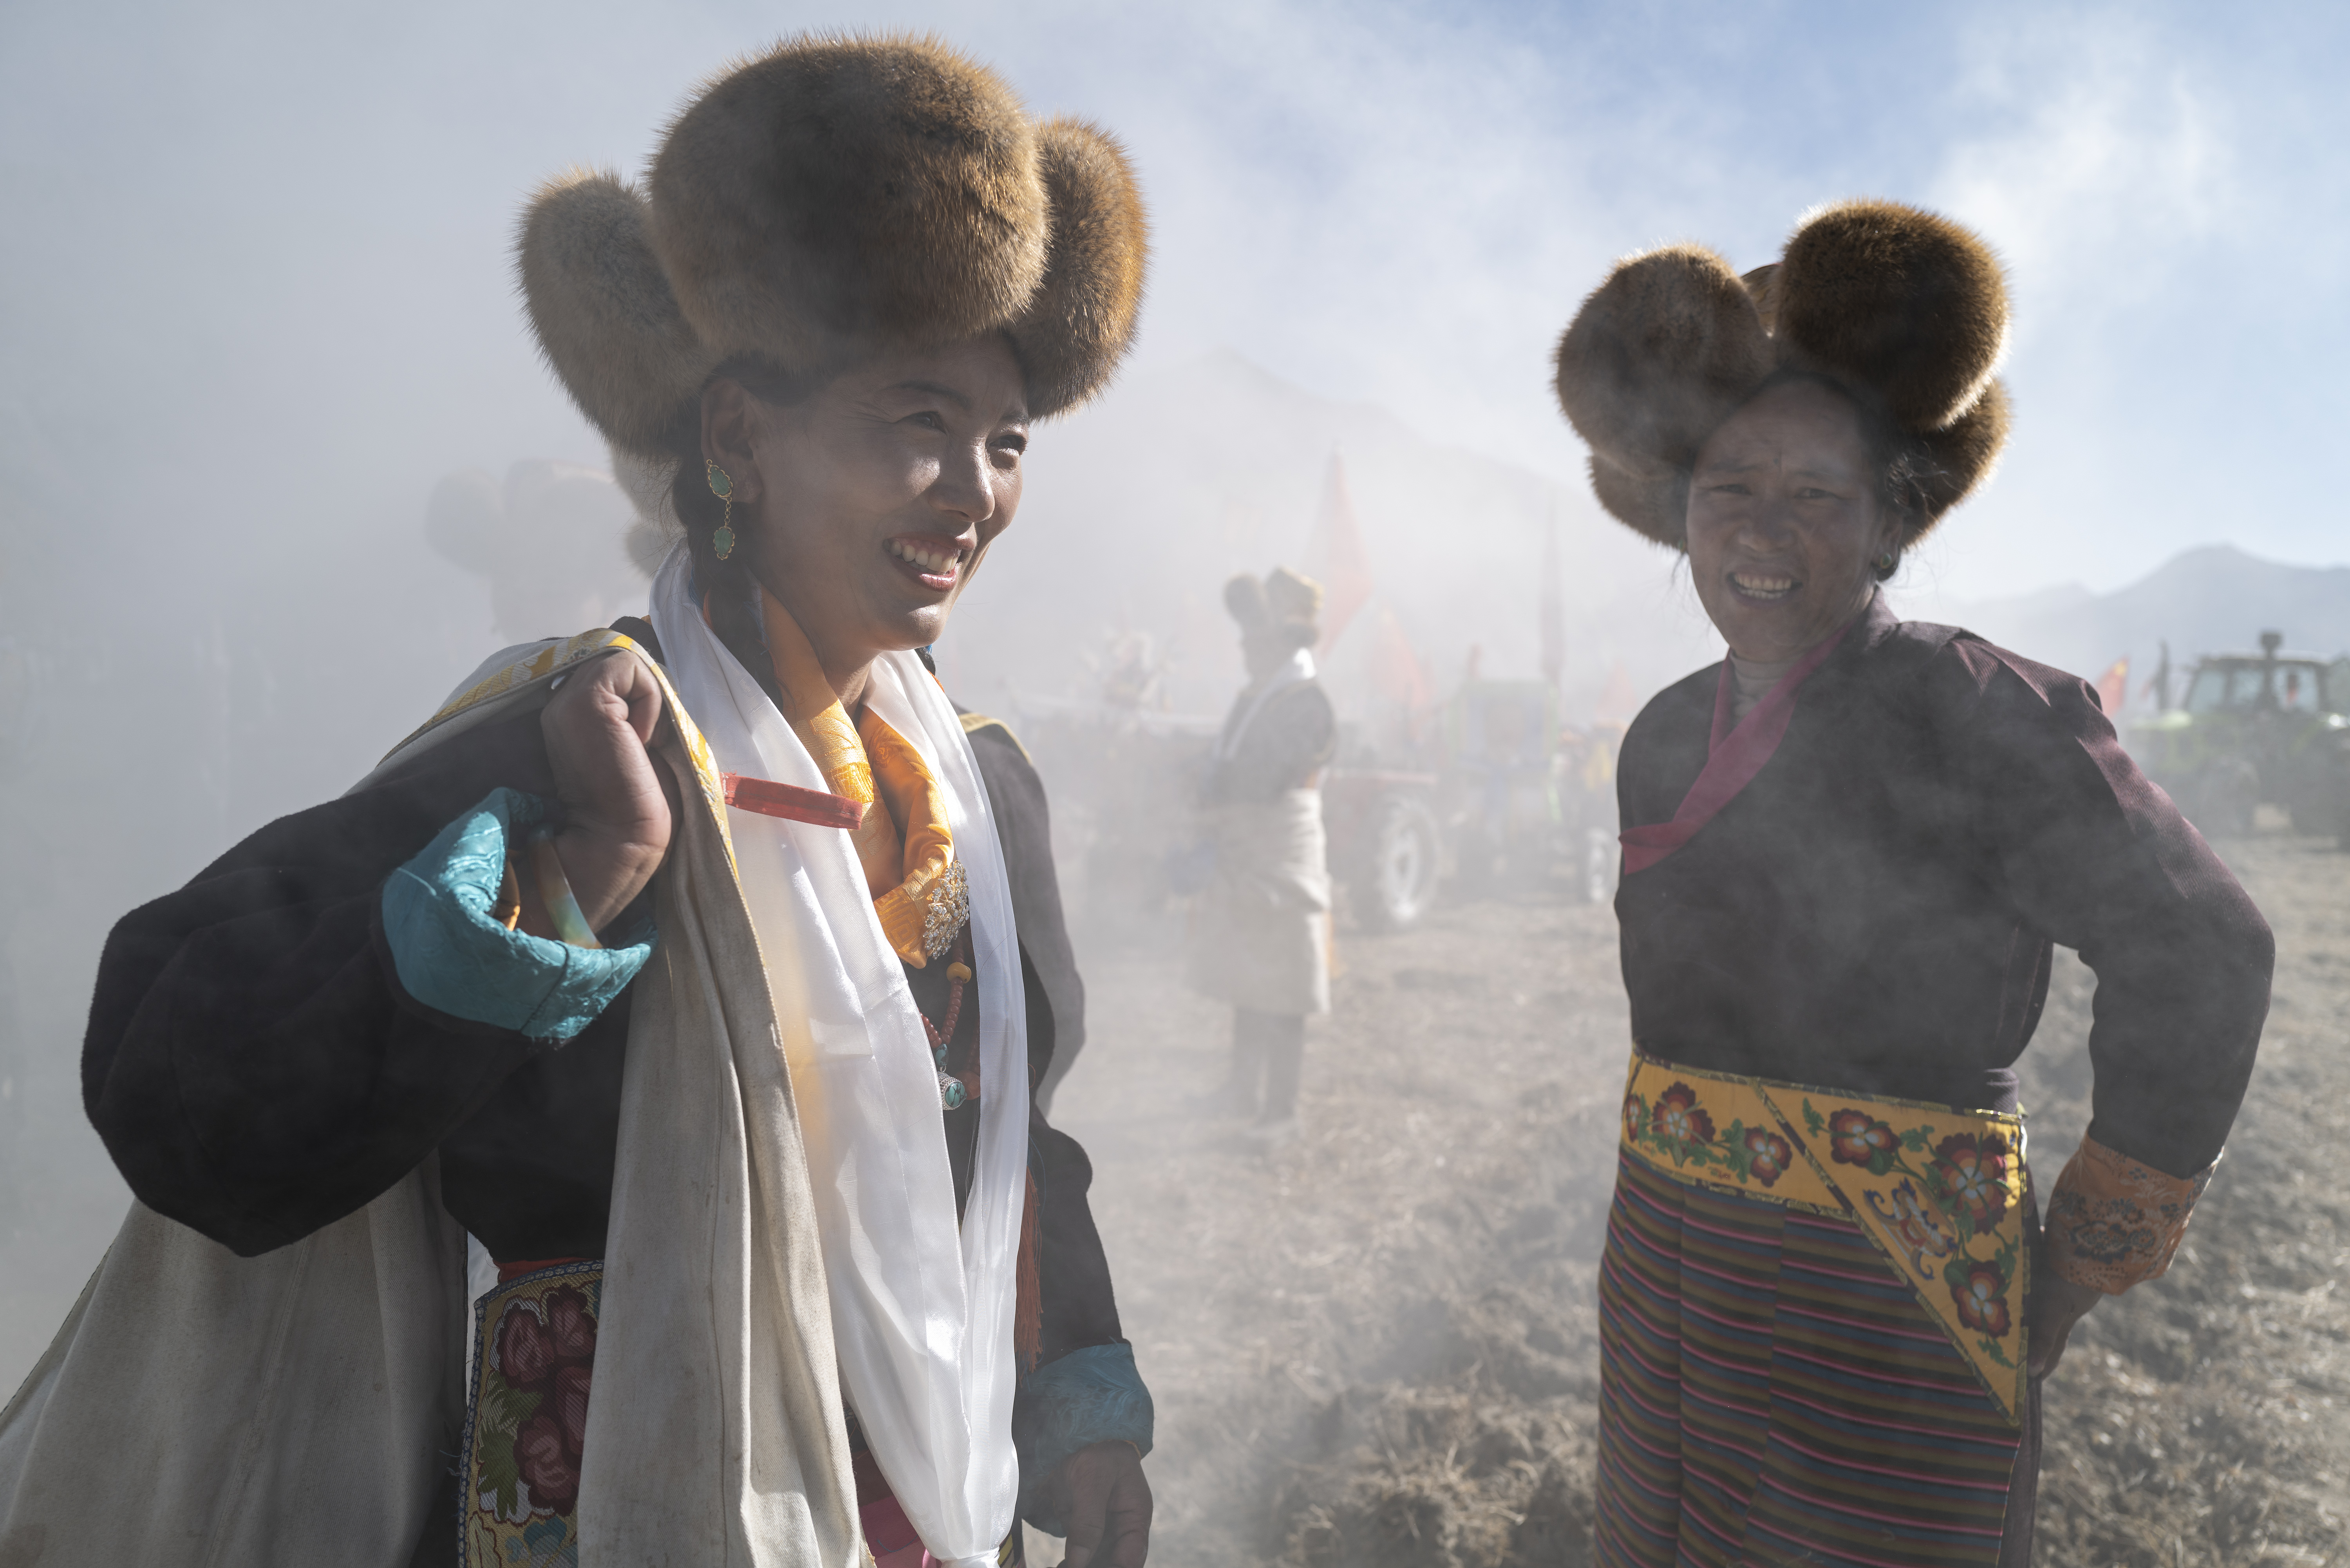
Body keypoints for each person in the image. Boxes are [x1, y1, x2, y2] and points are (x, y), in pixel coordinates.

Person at [1, 37, 1154, 1568]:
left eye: (1007, 441)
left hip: (928, 1505)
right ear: (737, 436)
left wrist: (1079, 1401)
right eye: (918, 419)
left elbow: (1008, 1141)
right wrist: (573, 884)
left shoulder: (980, 785)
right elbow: (183, 1094)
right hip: (614, 1504)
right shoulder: (582, 744)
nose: (974, 488)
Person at [1551, 199, 2272, 1567]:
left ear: (1891, 519)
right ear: (1679, 514)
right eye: (1729, 487)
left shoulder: (1981, 710)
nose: (1763, 530)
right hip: (1670, 1267)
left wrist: (2082, 1251)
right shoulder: (1659, 733)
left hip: (1893, 1289)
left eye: (1817, 495)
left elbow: (2205, 946)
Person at [1185, 568, 1336, 1143]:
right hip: (1248, 848)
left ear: (1278, 642)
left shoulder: (1307, 702)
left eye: (1253, 638)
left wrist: (1214, 798)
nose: (1244, 648)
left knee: (1285, 985)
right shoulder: (1260, 694)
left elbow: (1265, 777)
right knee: (1248, 972)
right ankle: (1241, 1090)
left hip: (1280, 852)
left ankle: (1281, 1112)